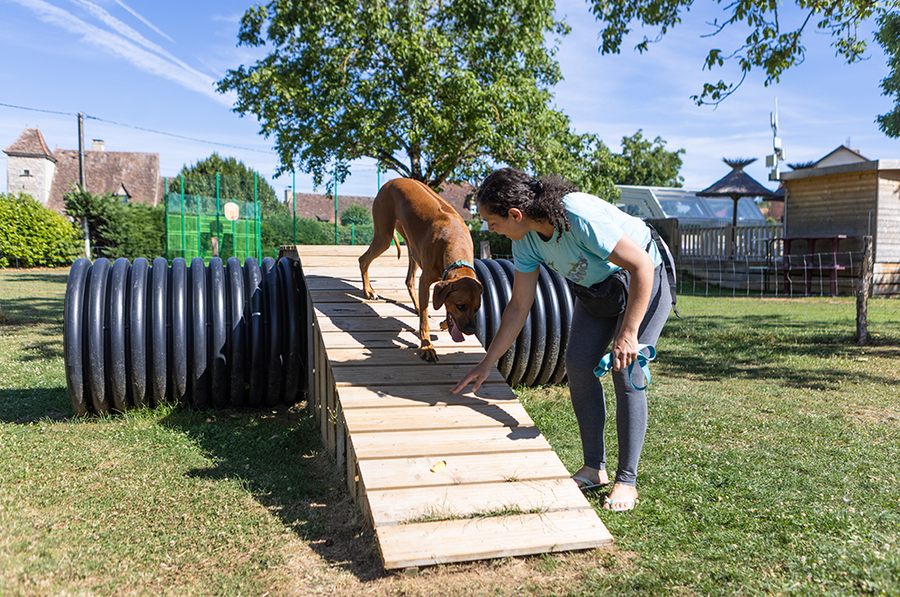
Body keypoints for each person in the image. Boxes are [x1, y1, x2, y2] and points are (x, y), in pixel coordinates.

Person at [450, 168, 673, 512]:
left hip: (645, 277)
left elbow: (641, 265)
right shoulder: (524, 241)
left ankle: (627, 481)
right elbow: (518, 306)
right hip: (597, 291)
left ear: (515, 214)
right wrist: (487, 362)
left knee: (626, 370)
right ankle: (594, 468)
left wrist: (628, 335)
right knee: (578, 364)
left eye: (492, 222)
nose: (490, 229)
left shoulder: (577, 216)